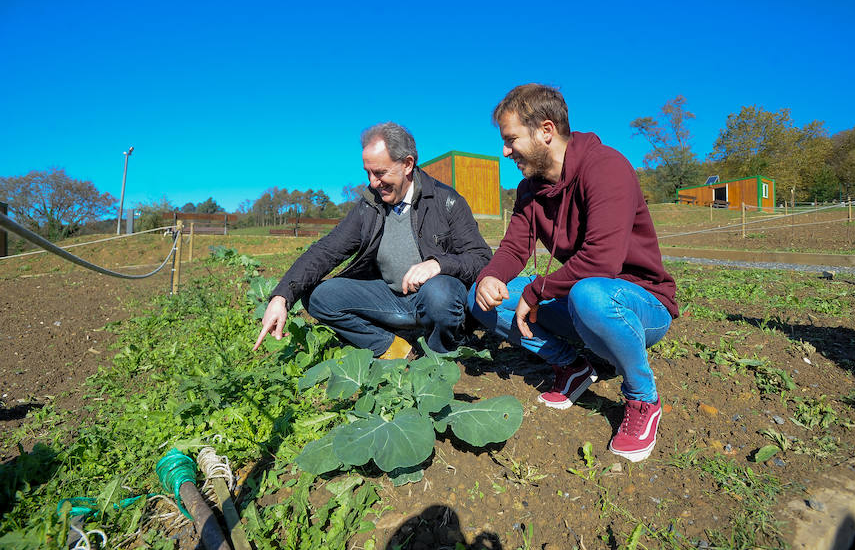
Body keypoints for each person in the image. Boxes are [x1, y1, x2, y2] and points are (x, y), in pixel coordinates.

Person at [468, 84, 678, 462]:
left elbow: (601, 263)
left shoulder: (607, 167)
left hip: (639, 304)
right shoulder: (530, 191)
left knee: (590, 293)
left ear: (545, 131)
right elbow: (515, 248)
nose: (505, 151)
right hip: (582, 299)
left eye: (511, 139)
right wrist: (490, 277)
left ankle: (643, 398)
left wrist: (535, 291)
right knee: (480, 300)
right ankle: (572, 365)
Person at [253, 122, 492, 359]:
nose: (373, 182)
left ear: (407, 165)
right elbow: (326, 251)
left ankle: (444, 351)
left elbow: (481, 259)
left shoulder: (446, 201)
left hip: (436, 297)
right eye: (368, 172)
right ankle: (393, 347)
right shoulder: (370, 205)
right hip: (390, 298)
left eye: (380, 172)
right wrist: (281, 297)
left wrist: (438, 264)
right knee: (320, 297)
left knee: (440, 294)